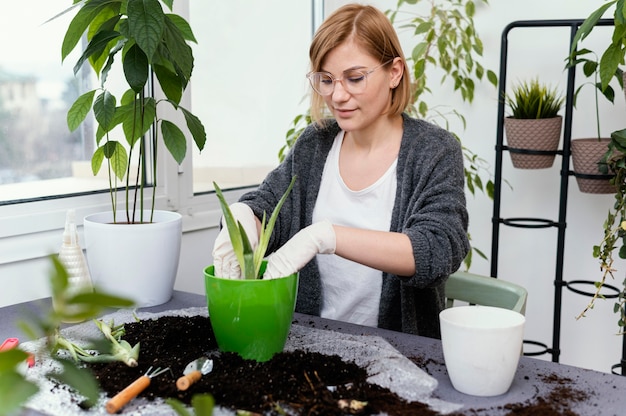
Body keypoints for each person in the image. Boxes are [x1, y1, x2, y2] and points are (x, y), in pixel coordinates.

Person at [212, 3, 469, 339]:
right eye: (327, 79)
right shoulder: (316, 144)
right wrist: (243, 217)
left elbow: (437, 249)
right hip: (311, 344)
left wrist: (328, 236)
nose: (338, 95)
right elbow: (270, 203)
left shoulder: (433, 151)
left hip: (398, 353)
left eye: (355, 78)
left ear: (394, 72)